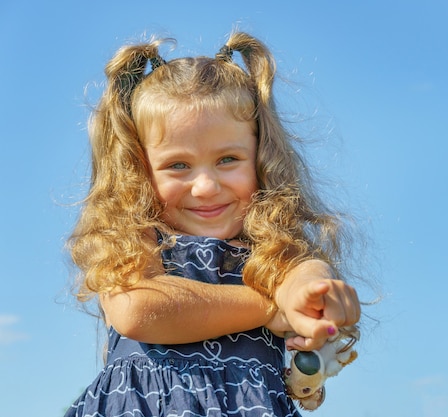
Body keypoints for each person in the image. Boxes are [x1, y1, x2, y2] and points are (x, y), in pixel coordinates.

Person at [64, 31, 362, 417]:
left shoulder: (271, 252)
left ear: (261, 159)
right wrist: (270, 308)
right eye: (178, 165)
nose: (205, 187)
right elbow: (137, 309)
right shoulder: (137, 237)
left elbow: (305, 274)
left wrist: (313, 294)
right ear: (139, 173)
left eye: (228, 160)